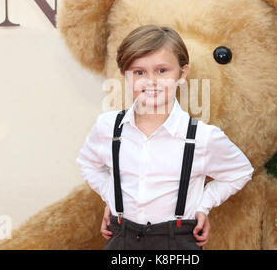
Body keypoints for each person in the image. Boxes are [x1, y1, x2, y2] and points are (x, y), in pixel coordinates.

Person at [76, 24, 254, 250]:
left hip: (177, 242)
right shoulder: (108, 127)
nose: (151, 81)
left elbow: (240, 172)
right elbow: (88, 164)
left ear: (182, 73)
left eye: (162, 71)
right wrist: (112, 197)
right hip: (122, 240)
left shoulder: (202, 137)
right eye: (139, 72)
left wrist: (202, 205)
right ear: (125, 76)